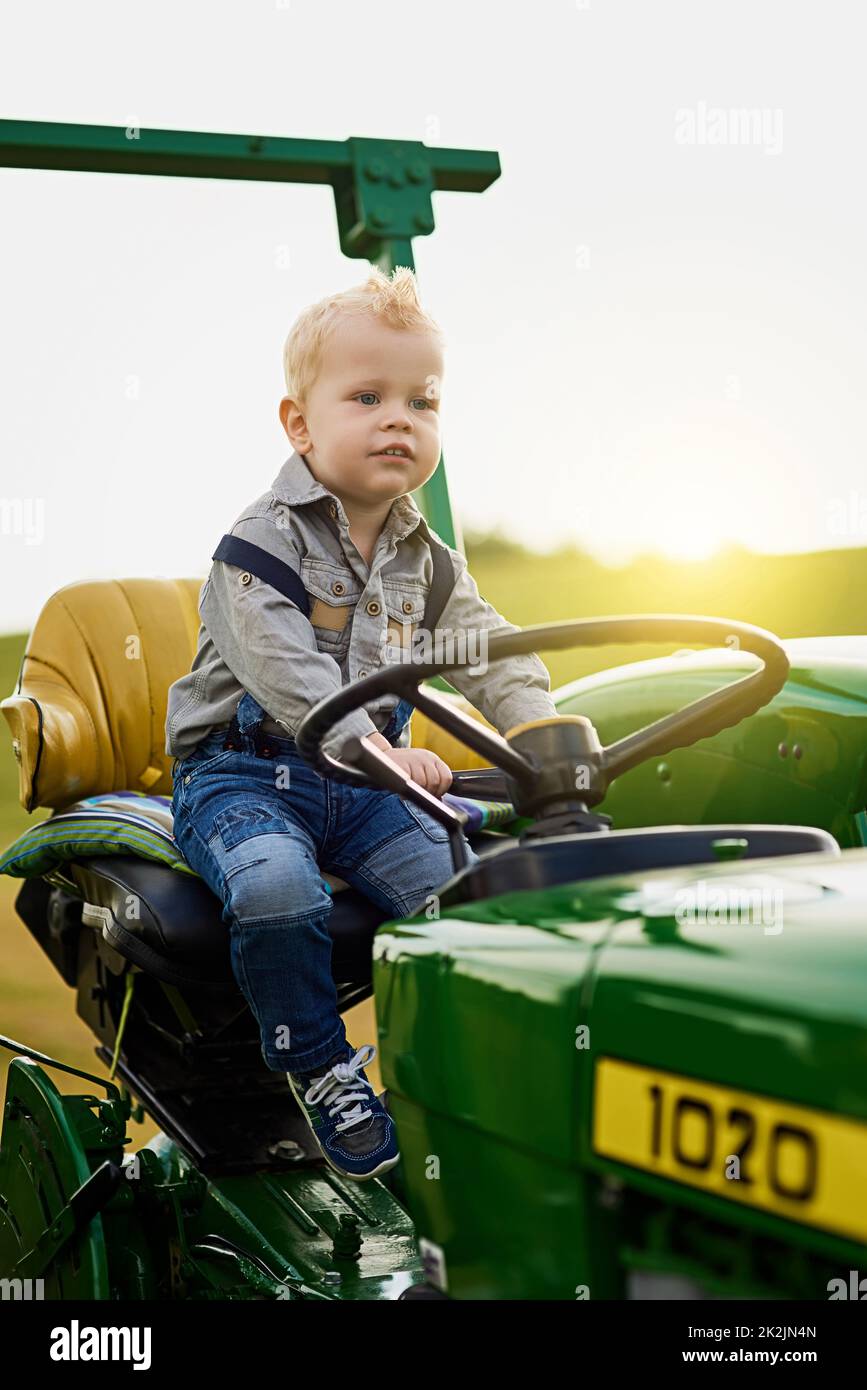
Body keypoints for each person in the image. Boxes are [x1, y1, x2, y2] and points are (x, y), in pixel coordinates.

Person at [165, 266, 559, 1180]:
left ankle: (454, 1074)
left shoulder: (429, 558)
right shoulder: (257, 545)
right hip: (245, 774)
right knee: (276, 893)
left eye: (422, 400)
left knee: (461, 899)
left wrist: (542, 734)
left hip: (365, 787)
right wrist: (382, 753)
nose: (400, 419)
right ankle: (318, 1063)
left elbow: (489, 649)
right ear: (299, 424)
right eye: (367, 396)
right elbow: (294, 683)